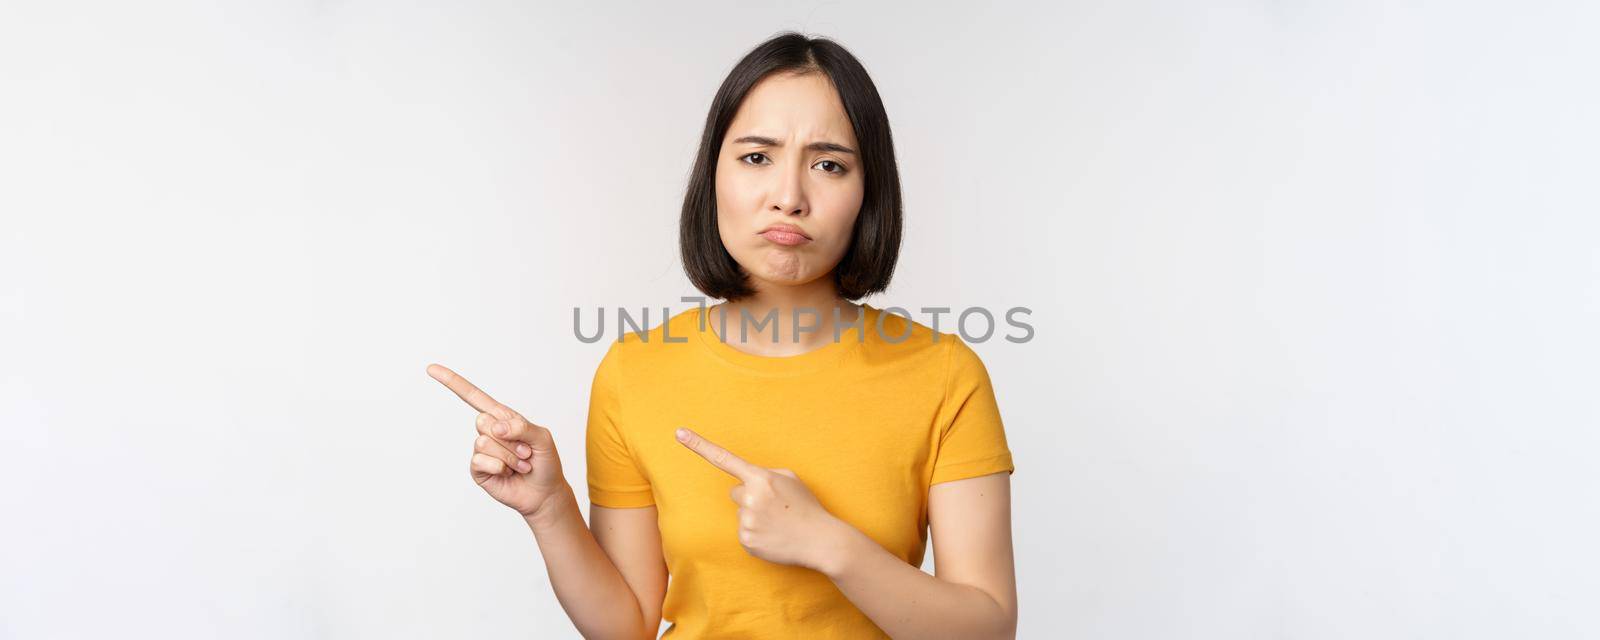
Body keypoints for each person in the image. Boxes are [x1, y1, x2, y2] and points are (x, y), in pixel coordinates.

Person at [427, 31, 1017, 639]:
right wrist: (550, 510)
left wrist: (830, 544)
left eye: (829, 164)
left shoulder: (943, 372)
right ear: (714, 176)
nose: (788, 197)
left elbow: (988, 630)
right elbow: (626, 627)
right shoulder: (636, 372)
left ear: (869, 193)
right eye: (757, 157)